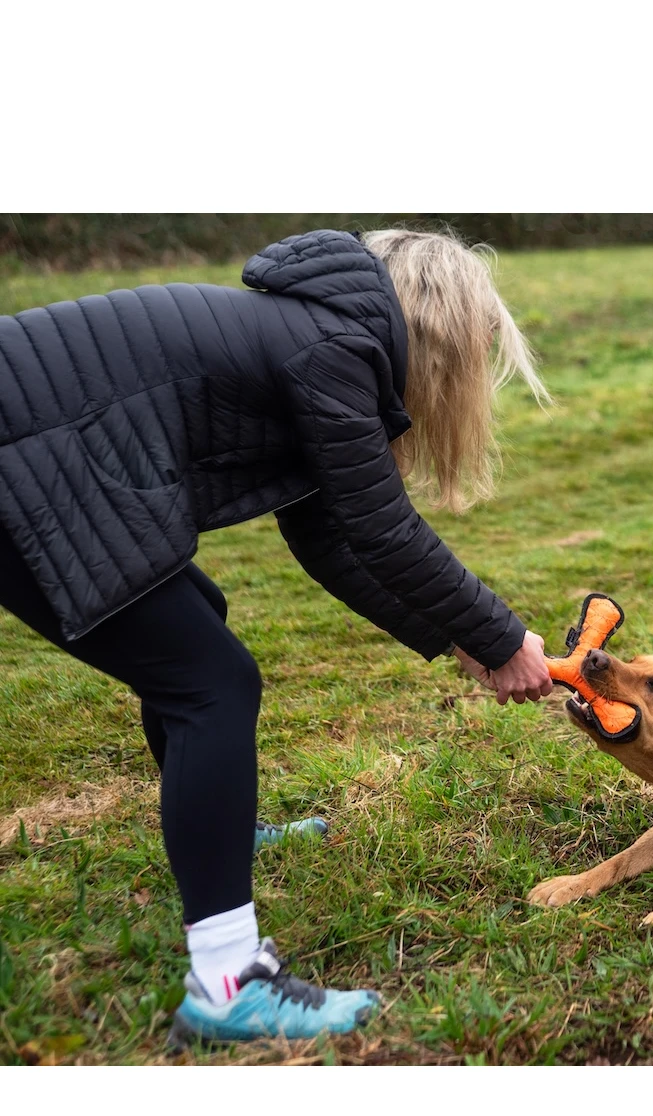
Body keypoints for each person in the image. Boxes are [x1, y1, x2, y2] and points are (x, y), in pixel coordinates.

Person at [0, 227, 554, 1043]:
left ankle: (220, 830)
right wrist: (502, 638)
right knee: (211, 685)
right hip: (32, 461)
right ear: (443, 335)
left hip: (45, 457)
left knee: (197, 633)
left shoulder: (308, 337)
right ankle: (227, 984)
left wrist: (458, 638)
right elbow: (384, 530)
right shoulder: (332, 351)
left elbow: (329, 537)